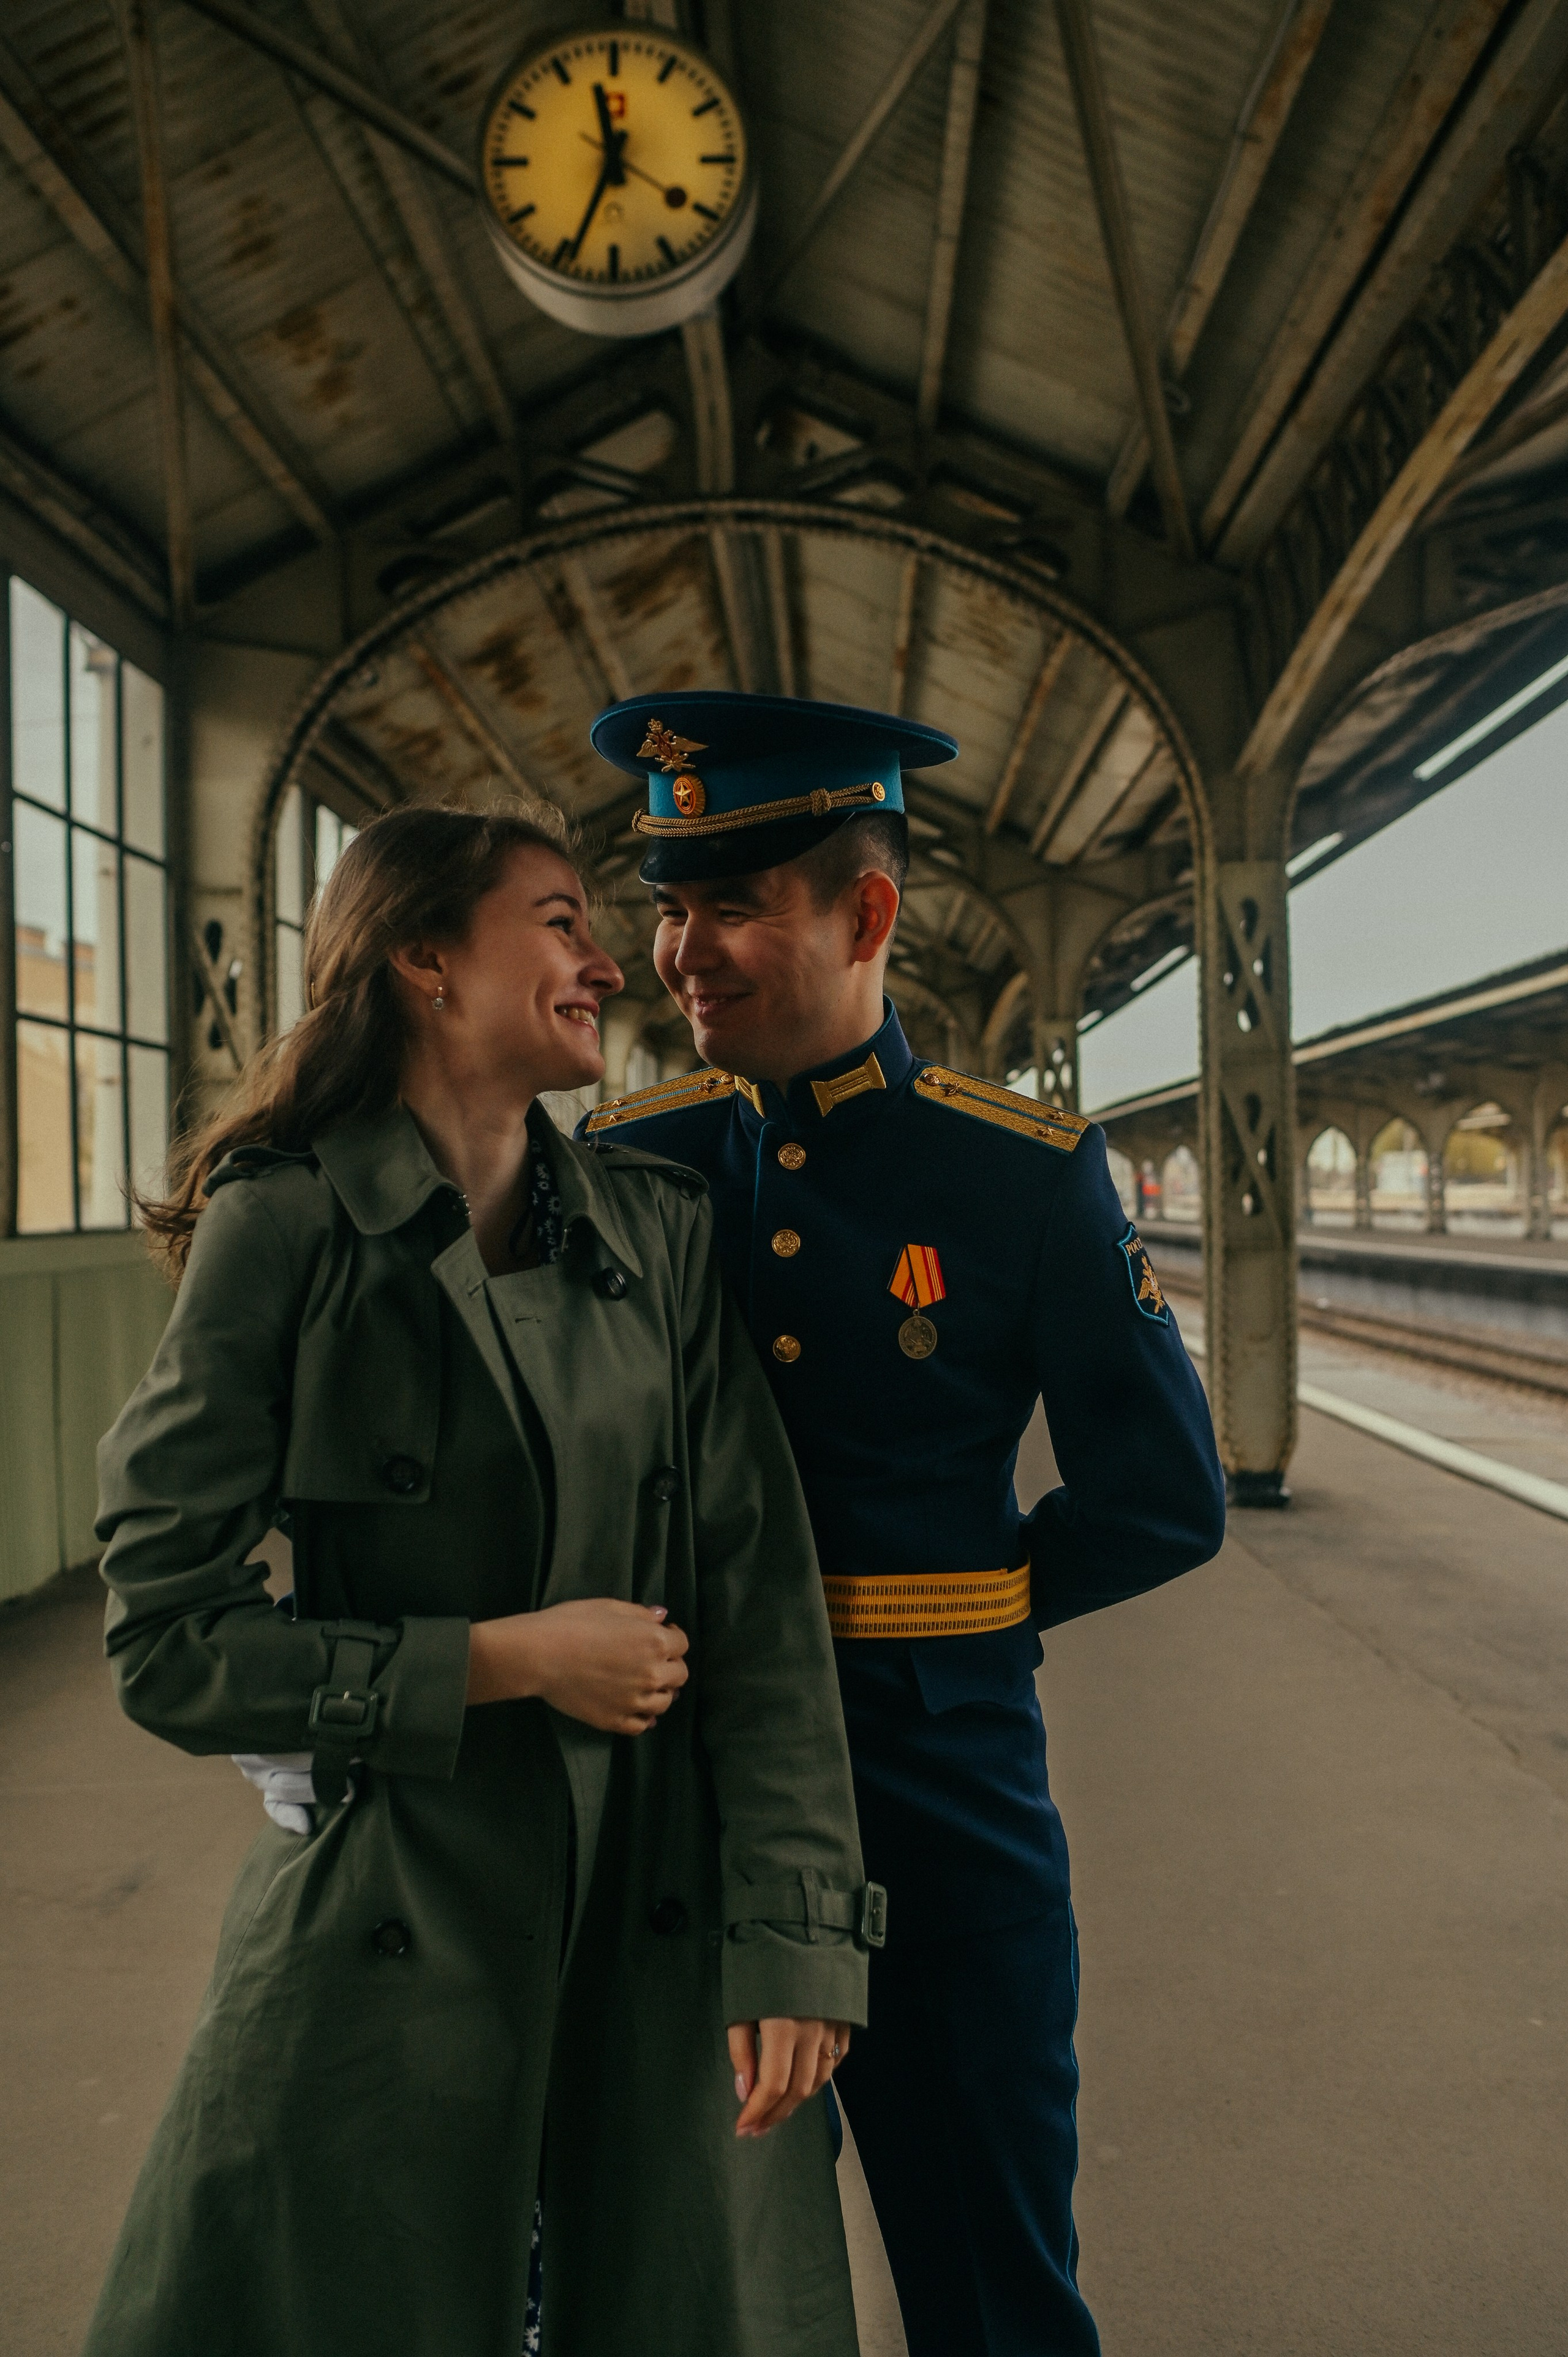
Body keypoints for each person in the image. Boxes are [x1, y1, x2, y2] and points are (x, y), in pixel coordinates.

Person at [86, 806, 880, 2357]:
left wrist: (793, 1934)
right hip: (393, 1909)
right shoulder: (286, 1223)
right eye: (562, 922)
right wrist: (506, 1659)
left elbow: (764, 1614)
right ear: (424, 959)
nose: (607, 963)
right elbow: (165, 1631)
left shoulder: (657, 1238)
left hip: (651, 1913)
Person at [576, 694, 1228, 2357]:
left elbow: (1166, 1498)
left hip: (942, 1815)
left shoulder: (1021, 1176)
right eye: (665, 907)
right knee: (664, 2293)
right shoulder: (629, 1166)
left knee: (993, 2292)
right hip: (675, 1808)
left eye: (731, 906)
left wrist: (969, 1607)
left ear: (864, 914)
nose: (681, 954)